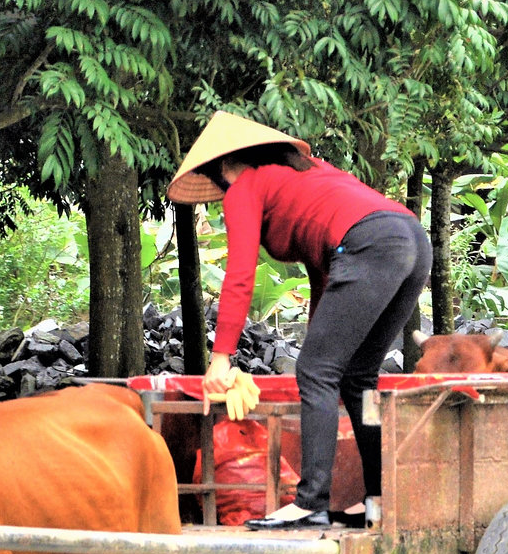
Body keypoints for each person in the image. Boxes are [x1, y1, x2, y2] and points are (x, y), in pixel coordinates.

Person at [168, 111, 431, 530]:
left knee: (315, 371)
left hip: (370, 244)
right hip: (412, 239)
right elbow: (325, 266)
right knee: (358, 378)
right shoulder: (307, 175)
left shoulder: (245, 187)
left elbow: (239, 274)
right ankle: (379, 501)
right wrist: (320, 329)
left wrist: (221, 357)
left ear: (222, 169)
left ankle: (311, 502)